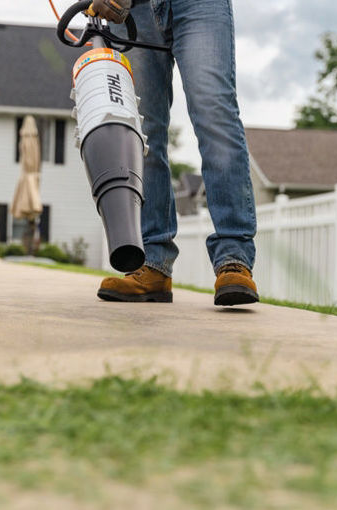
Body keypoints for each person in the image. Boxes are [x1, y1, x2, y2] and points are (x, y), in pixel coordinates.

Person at [91, 0, 259, 306]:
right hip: (130, 11)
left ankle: (234, 258)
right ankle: (152, 263)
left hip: (199, 6)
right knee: (141, 131)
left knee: (214, 113)